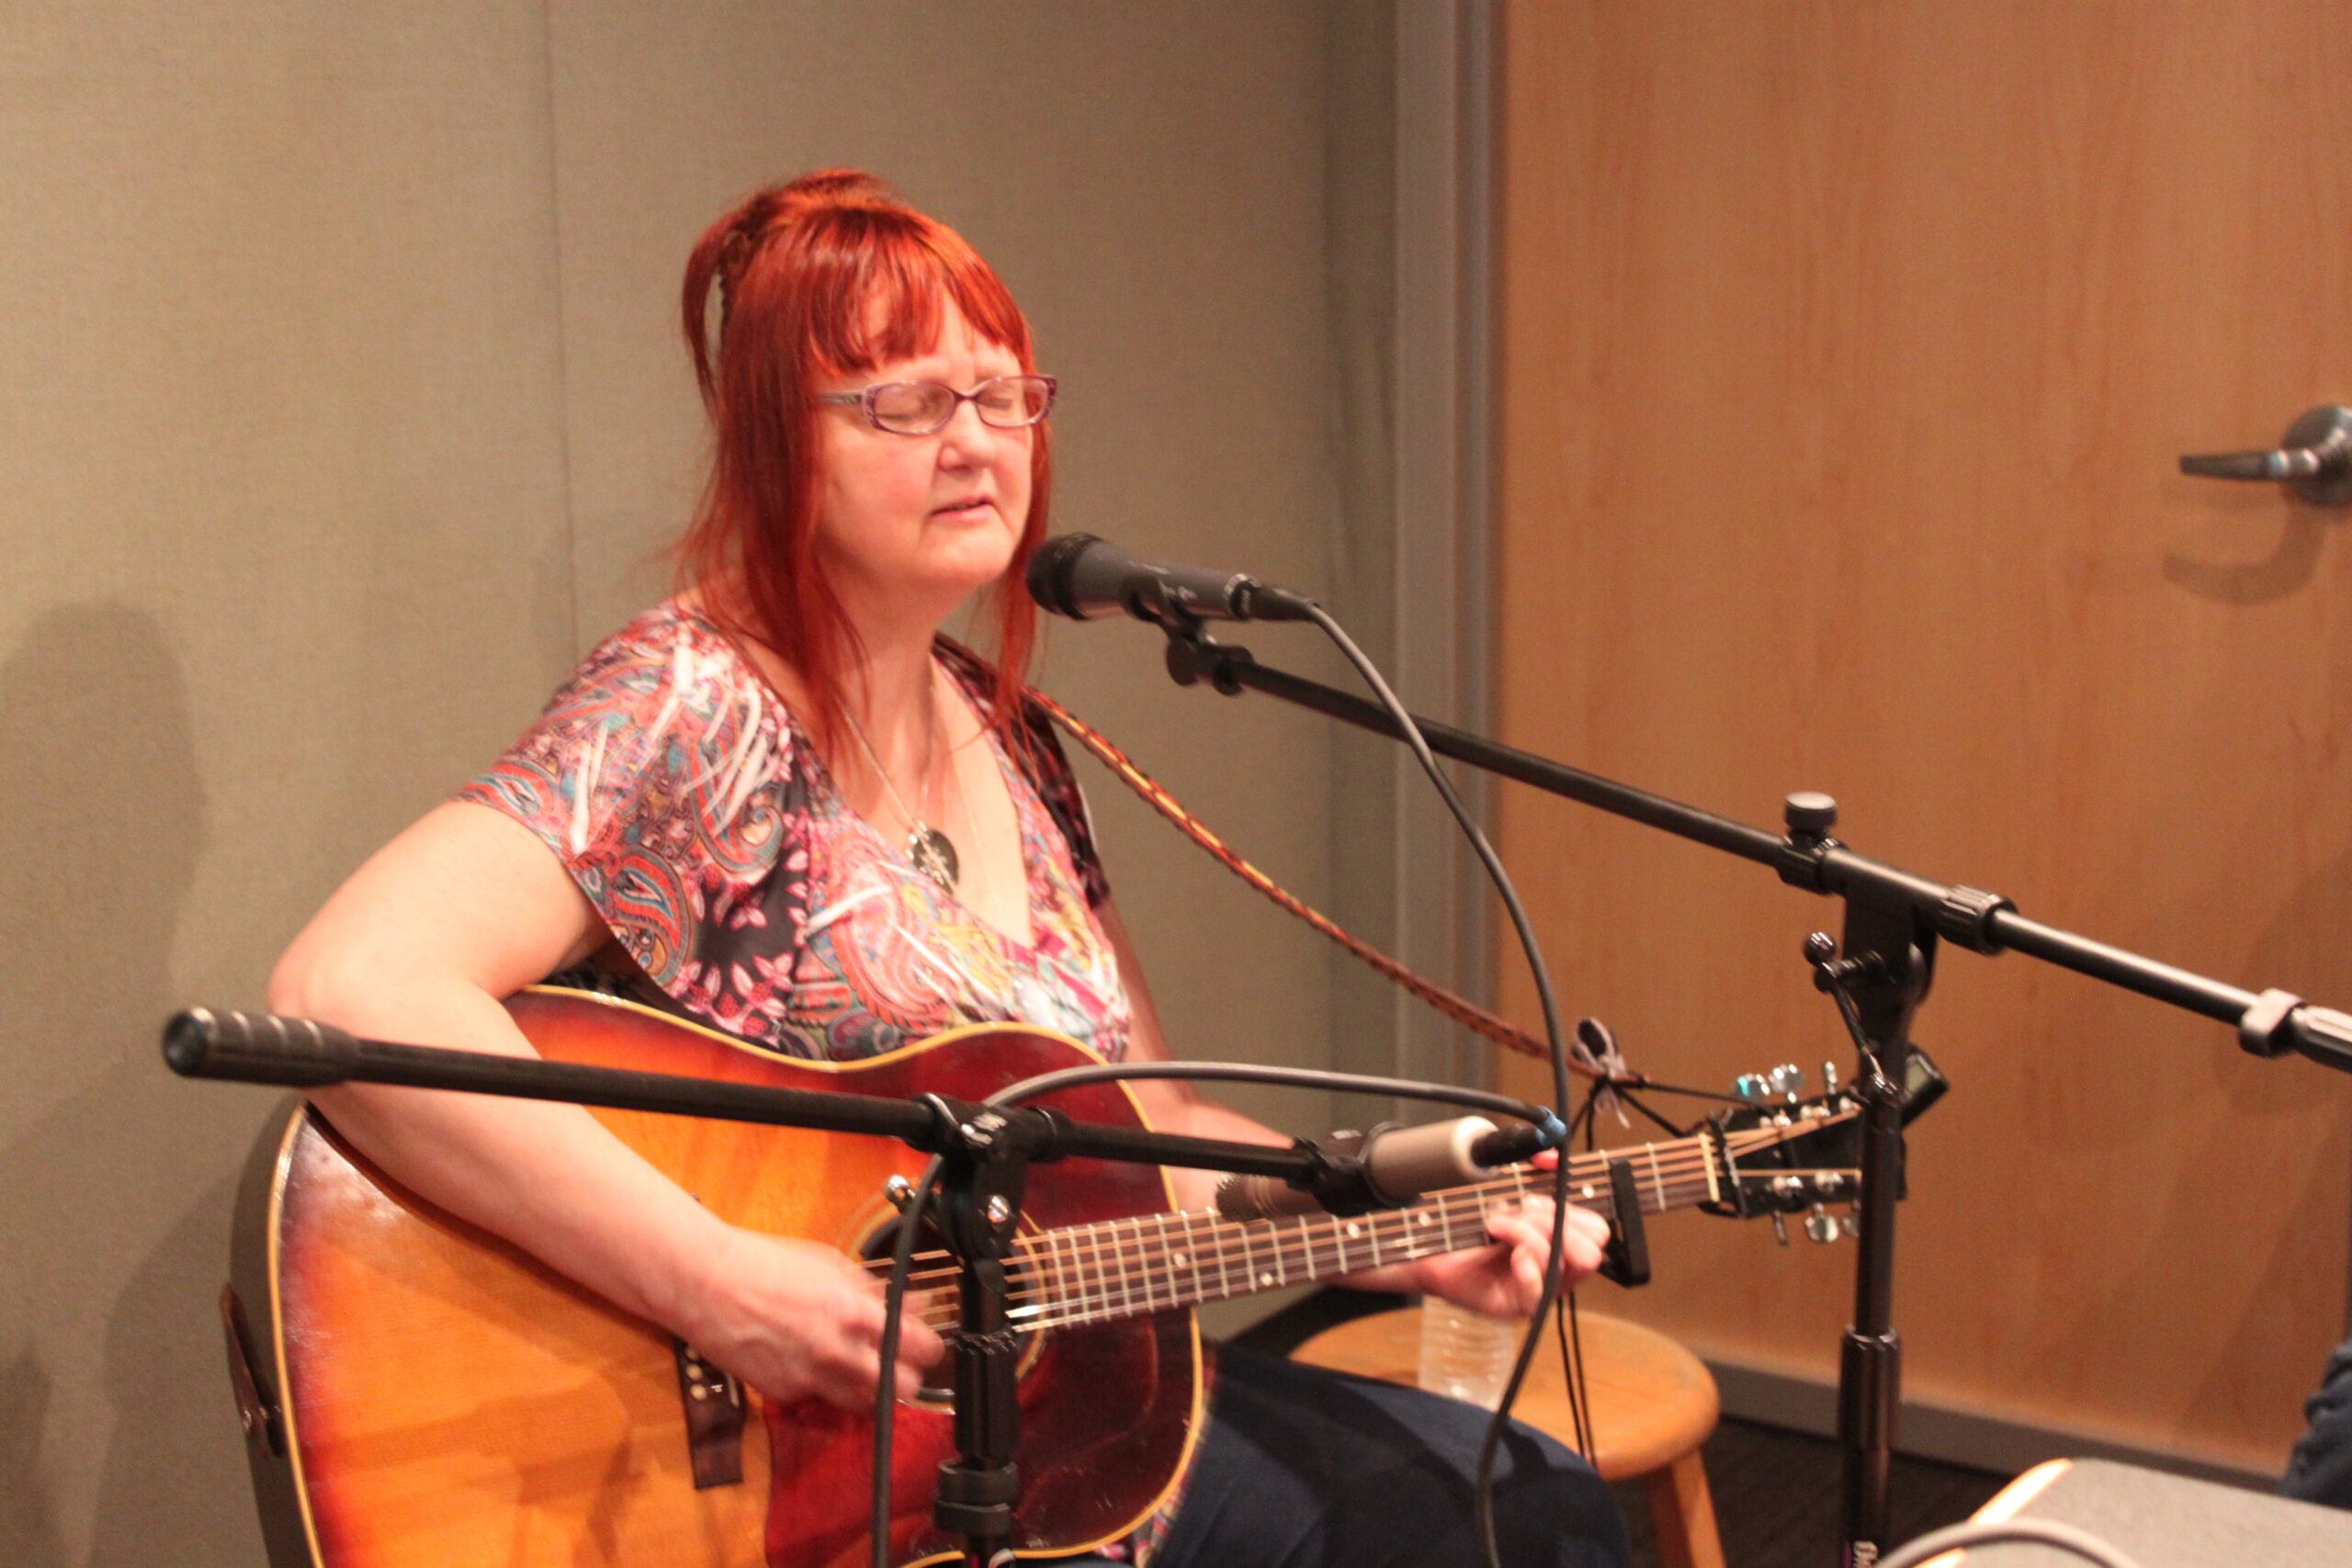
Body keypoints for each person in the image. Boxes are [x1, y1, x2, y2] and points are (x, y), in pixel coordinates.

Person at [269, 169, 1630, 1568]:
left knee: (1524, 1513)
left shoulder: (1013, 734)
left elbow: (1141, 1138)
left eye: (1001, 397)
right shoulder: (692, 709)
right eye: (904, 404)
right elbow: (350, 992)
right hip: (804, 1483)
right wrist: (717, 1280)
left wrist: (1376, 1230)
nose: (975, 445)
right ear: (770, 447)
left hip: (1059, 1442)